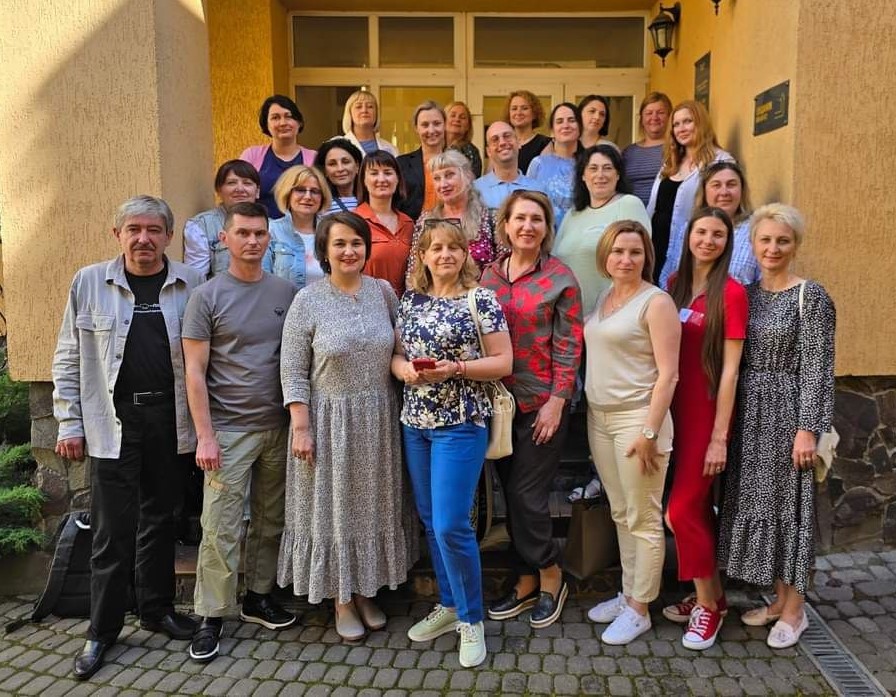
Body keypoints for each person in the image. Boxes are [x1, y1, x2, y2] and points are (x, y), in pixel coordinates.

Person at [52, 196, 202, 680]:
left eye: (154, 230)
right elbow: (68, 356)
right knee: (112, 530)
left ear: (168, 236)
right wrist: (69, 422)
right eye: (134, 229)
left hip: (169, 419)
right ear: (117, 234)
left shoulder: (191, 283)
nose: (143, 238)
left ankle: (156, 611)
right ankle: (103, 628)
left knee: (161, 520)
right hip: (113, 422)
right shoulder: (89, 282)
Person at [278, 212, 415, 641]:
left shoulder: (383, 292)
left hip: (378, 419)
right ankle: (341, 598)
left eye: (356, 242)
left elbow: (400, 348)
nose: (349, 251)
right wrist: (301, 426)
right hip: (328, 422)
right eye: (339, 243)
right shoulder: (307, 300)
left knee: (372, 508)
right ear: (324, 251)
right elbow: (292, 370)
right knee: (335, 511)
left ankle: (365, 591)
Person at [183, 201, 298, 664]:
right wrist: (205, 436)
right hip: (228, 431)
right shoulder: (206, 297)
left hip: (279, 427)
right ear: (224, 238)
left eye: (260, 234)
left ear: (269, 238)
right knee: (220, 527)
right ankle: (211, 614)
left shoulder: (286, 292)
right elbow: (194, 372)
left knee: (272, 521)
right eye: (243, 233)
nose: (252, 241)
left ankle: (259, 597)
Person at [395, 218, 513, 668]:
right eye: (435, 248)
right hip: (415, 422)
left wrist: (457, 369)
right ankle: (448, 605)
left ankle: (471, 619)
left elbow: (503, 361)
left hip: (460, 422)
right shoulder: (411, 300)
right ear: (423, 256)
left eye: (453, 247)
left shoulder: (480, 299)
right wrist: (404, 370)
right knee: (430, 521)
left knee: (450, 524)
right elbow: (397, 354)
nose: (444, 254)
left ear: (465, 253)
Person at [718, 203, 836, 649]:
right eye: (765, 240)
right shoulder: (745, 294)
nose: (773, 248)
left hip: (788, 414)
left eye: (783, 241)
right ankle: (778, 599)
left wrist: (808, 429)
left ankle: (795, 609)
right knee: (762, 507)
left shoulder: (811, 296)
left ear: (796, 245)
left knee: (792, 510)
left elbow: (818, 368)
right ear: (752, 244)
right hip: (750, 415)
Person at [480, 191, 583, 629]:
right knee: (508, 493)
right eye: (519, 218)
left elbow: (569, 344)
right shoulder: (488, 275)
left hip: (542, 404)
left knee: (527, 495)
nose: (527, 226)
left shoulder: (561, 278)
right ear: (505, 225)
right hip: (496, 404)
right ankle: (524, 580)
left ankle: (550, 573)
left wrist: (558, 402)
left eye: (536, 219)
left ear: (546, 228)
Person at [583, 220, 680, 645]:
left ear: (646, 257)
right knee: (621, 512)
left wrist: (650, 431)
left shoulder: (655, 303)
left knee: (643, 518)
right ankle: (628, 594)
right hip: (600, 419)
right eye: (618, 251)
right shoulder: (605, 296)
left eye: (635, 252)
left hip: (637, 421)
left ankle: (640, 609)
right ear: (605, 255)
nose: (625, 259)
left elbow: (669, 374)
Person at [661, 208, 748, 651]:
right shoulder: (675, 284)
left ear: (727, 242)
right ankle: (713, 595)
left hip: (705, 412)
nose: (708, 240)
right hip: (670, 410)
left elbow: (730, 371)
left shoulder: (731, 293)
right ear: (688, 235)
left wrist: (719, 437)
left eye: (718, 234)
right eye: (701, 232)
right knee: (692, 512)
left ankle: (708, 607)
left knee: (678, 511)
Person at [554, 144, 651, 315]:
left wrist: (609, 311)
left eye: (607, 168)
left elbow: (638, 262)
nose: (600, 175)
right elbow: (555, 260)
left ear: (618, 174)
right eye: (593, 168)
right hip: (568, 315)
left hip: (610, 315)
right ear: (583, 176)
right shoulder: (573, 214)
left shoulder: (629, 204)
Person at [646, 100, 733, 285]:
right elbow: (654, 206)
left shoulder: (720, 161)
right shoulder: (670, 162)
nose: (681, 129)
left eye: (687, 121)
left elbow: (725, 210)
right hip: (657, 247)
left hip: (690, 249)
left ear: (700, 123)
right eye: (676, 124)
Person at [659, 160, 760, 288]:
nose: (724, 192)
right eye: (716, 185)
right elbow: (667, 276)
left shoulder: (756, 230)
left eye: (731, 185)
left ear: (742, 190)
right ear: (704, 191)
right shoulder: (688, 228)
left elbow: (765, 282)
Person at [407, 150, 497, 278]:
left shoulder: (490, 218)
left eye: (449, 175)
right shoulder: (425, 220)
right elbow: (414, 271)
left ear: (467, 176)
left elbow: (504, 269)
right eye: (437, 178)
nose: (443, 184)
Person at [183, 160, 272, 278]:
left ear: (257, 191)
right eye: (231, 183)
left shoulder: (273, 226)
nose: (240, 189)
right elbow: (196, 279)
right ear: (219, 190)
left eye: (247, 183)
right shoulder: (200, 226)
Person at [240, 95, 317, 218]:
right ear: (266, 124)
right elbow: (239, 194)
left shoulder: (314, 158)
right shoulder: (252, 155)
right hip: (259, 226)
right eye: (275, 117)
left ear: (299, 122)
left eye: (289, 116)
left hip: (302, 227)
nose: (283, 123)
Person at [354, 150, 415, 296]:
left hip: (403, 305)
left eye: (388, 173)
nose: (381, 179)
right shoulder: (353, 222)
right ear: (363, 180)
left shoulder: (408, 223)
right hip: (366, 303)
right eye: (374, 173)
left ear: (397, 179)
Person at [268, 165, 332, 288]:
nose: (308, 197)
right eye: (300, 190)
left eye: (314, 191)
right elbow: (262, 278)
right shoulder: (272, 230)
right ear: (287, 194)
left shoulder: (332, 231)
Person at [527, 102, 582, 230]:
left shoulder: (589, 164)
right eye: (559, 121)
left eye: (571, 120)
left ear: (580, 127)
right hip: (544, 235)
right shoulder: (538, 164)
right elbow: (529, 203)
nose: (566, 125)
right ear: (552, 131)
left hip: (578, 234)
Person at [474, 121, 545, 213]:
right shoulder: (475, 190)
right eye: (495, 139)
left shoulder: (537, 189)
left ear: (518, 143)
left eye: (507, 136)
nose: (502, 142)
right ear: (488, 151)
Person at [397, 100, 446, 221]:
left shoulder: (458, 163)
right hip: (410, 229)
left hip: (450, 229)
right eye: (425, 125)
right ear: (416, 128)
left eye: (437, 123)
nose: (431, 130)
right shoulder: (401, 164)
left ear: (445, 125)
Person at [623, 92, 673, 207]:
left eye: (660, 113)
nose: (654, 117)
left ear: (669, 117)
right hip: (631, 213)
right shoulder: (628, 152)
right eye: (649, 113)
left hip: (663, 213)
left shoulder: (675, 149)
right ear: (641, 118)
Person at [336, 89, 398, 157]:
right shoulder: (337, 147)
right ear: (349, 113)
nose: (364, 110)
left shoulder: (391, 149)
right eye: (358, 107)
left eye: (370, 106)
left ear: (376, 113)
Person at [504, 90, 551, 175]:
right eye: (514, 108)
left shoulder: (545, 144)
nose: (518, 113)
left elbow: (546, 177)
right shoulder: (502, 143)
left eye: (524, 108)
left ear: (534, 114)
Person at [314, 138, 362, 215]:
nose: (340, 169)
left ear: (357, 166)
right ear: (324, 170)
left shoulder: (372, 200)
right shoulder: (319, 205)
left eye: (345, 162)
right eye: (332, 164)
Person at [445, 100, 483, 177]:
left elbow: (473, 180)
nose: (457, 119)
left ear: (468, 126)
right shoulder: (433, 146)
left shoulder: (472, 152)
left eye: (462, 117)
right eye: (453, 115)